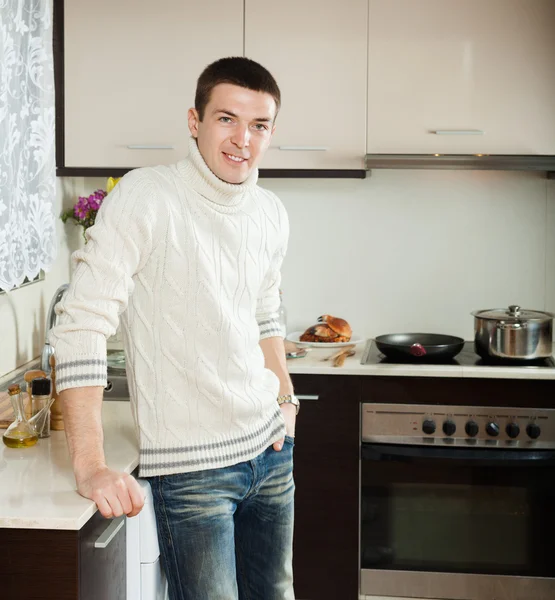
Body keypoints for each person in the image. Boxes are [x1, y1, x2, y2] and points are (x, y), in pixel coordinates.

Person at [50, 56, 297, 600]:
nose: (242, 140)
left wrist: (286, 400)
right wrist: (91, 467)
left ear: (271, 133)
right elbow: (80, 324)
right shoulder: (146, 196)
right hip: (193, 472)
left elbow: (265, 310)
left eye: (259, 125)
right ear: (195, 120)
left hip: (272, 452)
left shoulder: (271, 212)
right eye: (227, 119)